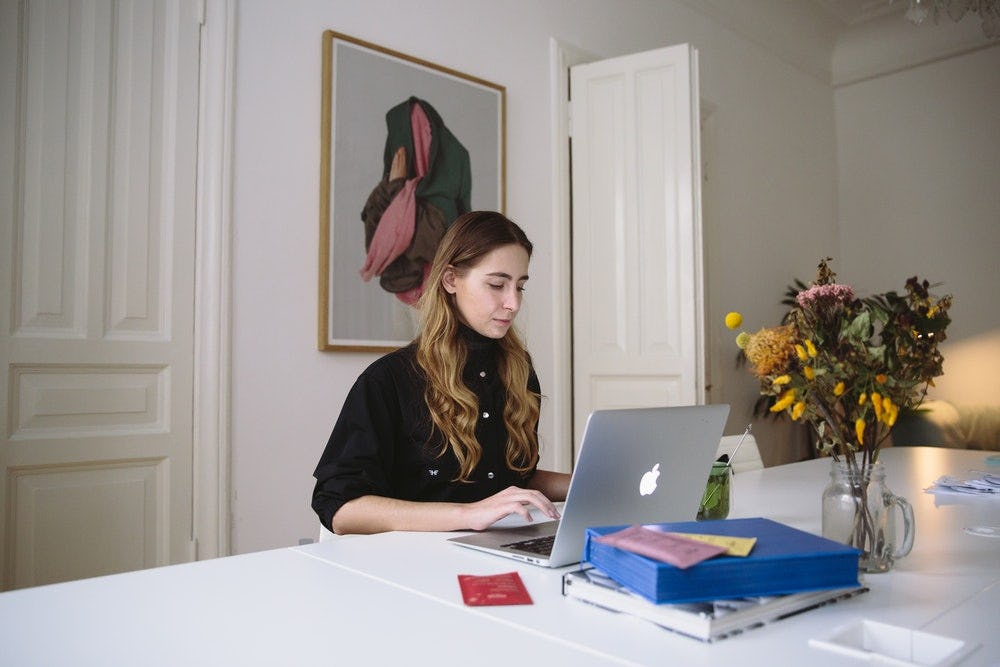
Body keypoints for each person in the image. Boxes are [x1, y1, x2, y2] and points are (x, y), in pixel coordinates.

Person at [312, 211, 572, 535]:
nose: (513, 303)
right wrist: (469, 514)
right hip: (414, 564)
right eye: (497, 284)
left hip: (500, 550)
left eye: (520, 286)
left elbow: (514, 477)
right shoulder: (388, 381)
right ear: (450, 280)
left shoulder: (518, 370)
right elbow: (339, 508)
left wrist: (588, 483)